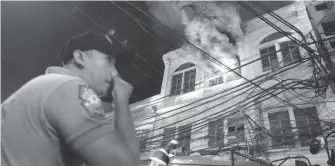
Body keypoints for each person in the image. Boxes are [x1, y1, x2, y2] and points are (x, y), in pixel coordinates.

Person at [1, 31, 140, 166]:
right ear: (80, 58)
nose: (115, 72)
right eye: (108, 60)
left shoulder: (46, 86)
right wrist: (122, 100)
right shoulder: (72, 89)